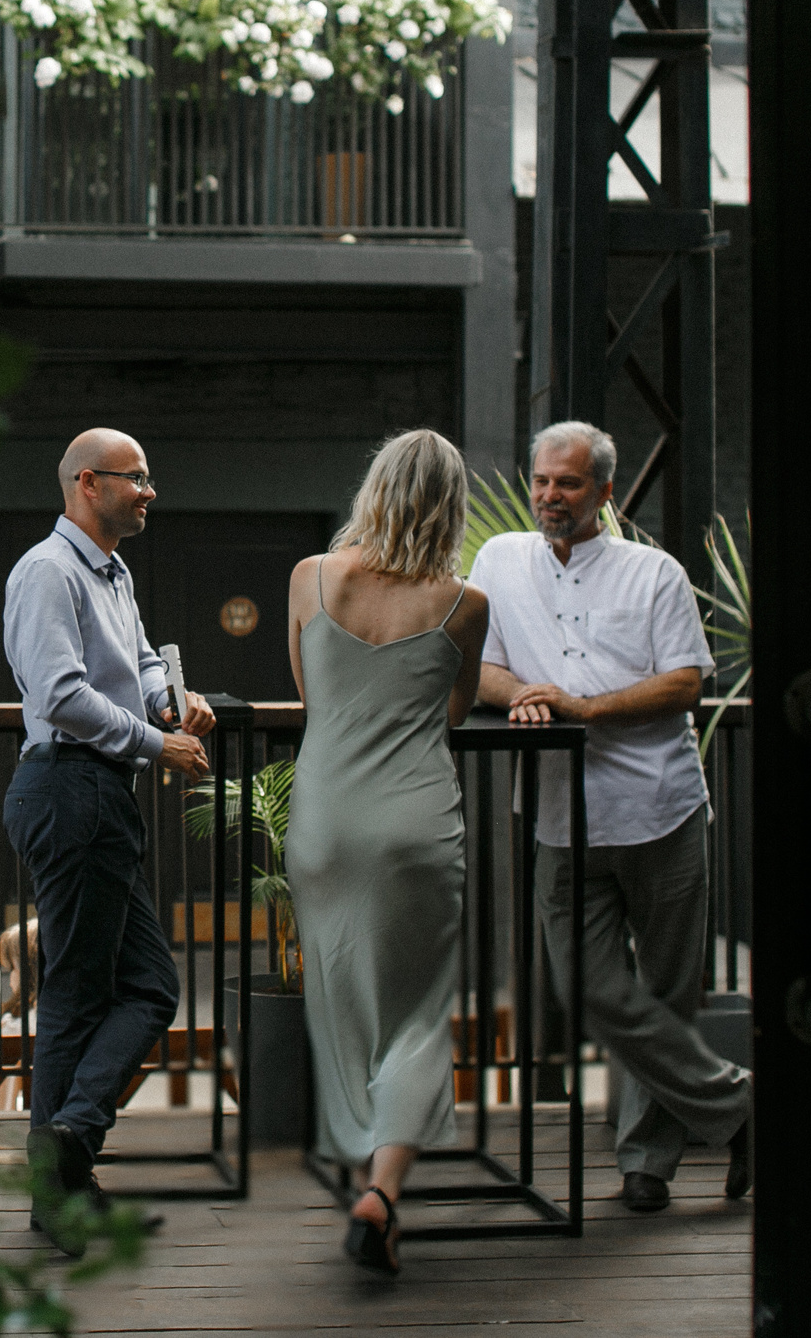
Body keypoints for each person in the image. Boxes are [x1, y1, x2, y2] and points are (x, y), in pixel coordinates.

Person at [470, 420, 753, 1213]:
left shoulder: (653, 573)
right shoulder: (499, 561)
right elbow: (481, 665)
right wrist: (521, 694)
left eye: (567, 483)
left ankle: (646, 1164)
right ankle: (739, 1108)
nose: (549, 495)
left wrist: (585, 707)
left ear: (604, 492)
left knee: (663, 995)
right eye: (541, 480)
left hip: (659, 807)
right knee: (593, 989)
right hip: (561, 815)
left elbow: (685, 682)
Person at [2, 428, 216, 1253]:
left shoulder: (112, 571)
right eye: (138, 478)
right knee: (81, 995)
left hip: (95, 793)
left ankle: (65, 1159)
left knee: (146, 986)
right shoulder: (48, 572)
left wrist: (176, 697)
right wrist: (157, 743)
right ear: (88, 483)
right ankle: (63, 1169)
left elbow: (143, 662)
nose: (150, 490)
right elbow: (60, 694)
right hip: (71, 786)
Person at [285, 428, 489, 1276]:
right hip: (414, 822)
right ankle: (384, 1191)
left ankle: (364, 1174)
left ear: (374, 488)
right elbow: (455, 707)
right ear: (451, 505)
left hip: (325, 819)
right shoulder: (464, 604)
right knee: (417, 1014)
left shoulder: (311, 578)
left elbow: (309, 691)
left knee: (341, 1005)